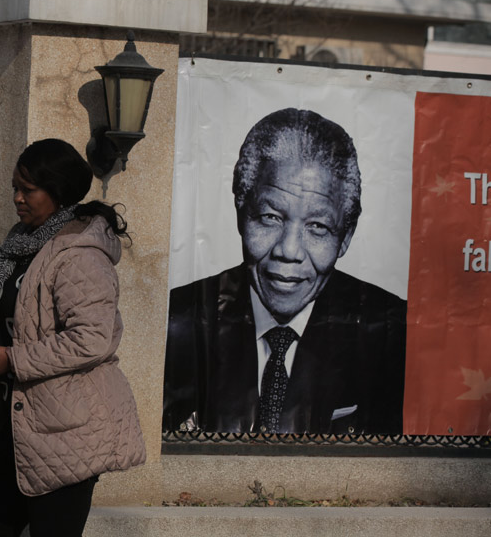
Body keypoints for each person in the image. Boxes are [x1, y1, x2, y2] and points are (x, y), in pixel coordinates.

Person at [0, 139, 145, 537]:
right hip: (21, 424)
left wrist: (13, 361)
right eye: (15, 187)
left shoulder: (80, 253)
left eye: (28, 190)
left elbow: (92, 338)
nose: (17, 198)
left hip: (70, 430)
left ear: (58, 192)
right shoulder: (19, 245)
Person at [163, 108, 407, 435]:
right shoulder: (176, 319)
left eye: (317, 227)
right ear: (241, 213)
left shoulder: (394, 332)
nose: (288, 251)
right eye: (270, 218)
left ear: (345, 238)